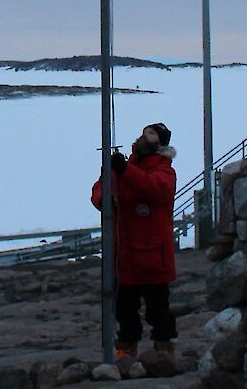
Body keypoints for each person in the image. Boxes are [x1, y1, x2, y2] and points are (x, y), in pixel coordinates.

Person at [91, 123, 179, 358]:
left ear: (160, 142)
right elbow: (100, 188)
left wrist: (123, 171)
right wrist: (104, 198)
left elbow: (154, 189)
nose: (144, 136)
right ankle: (125, 356)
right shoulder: (125, 166)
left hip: (152, 255)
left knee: (158, 310)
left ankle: (164, 354)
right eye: (144, 131)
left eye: (151, 133)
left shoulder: (164, 171)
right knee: (124, 312)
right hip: (124, 254)